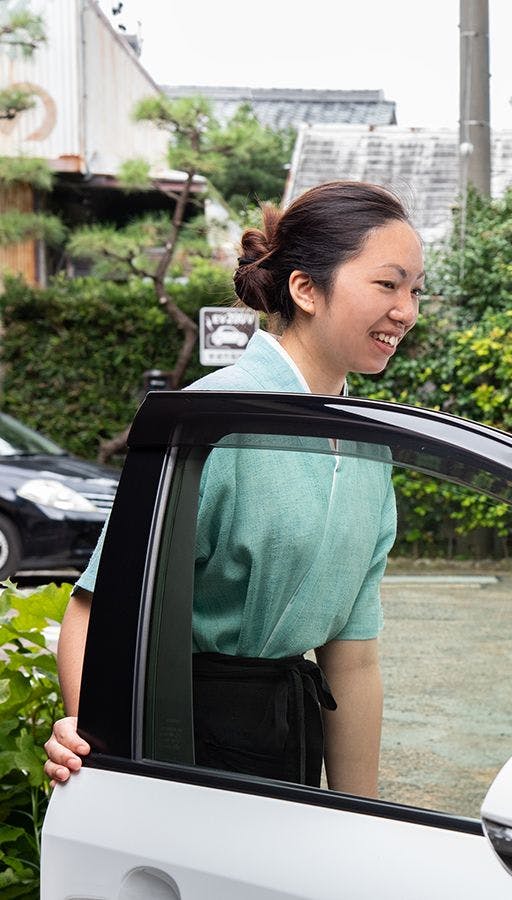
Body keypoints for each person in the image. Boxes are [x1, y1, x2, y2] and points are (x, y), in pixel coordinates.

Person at [44, 180, 423, 795]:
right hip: (174, 744)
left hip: (286, 740)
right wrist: (98, 744)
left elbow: (352, 658)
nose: (407, 311)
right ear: (305, 288)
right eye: (388, 284)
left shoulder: (368, 447)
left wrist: (363, 822)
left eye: (415, 290)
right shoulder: (210, 421)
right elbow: (94, 612)